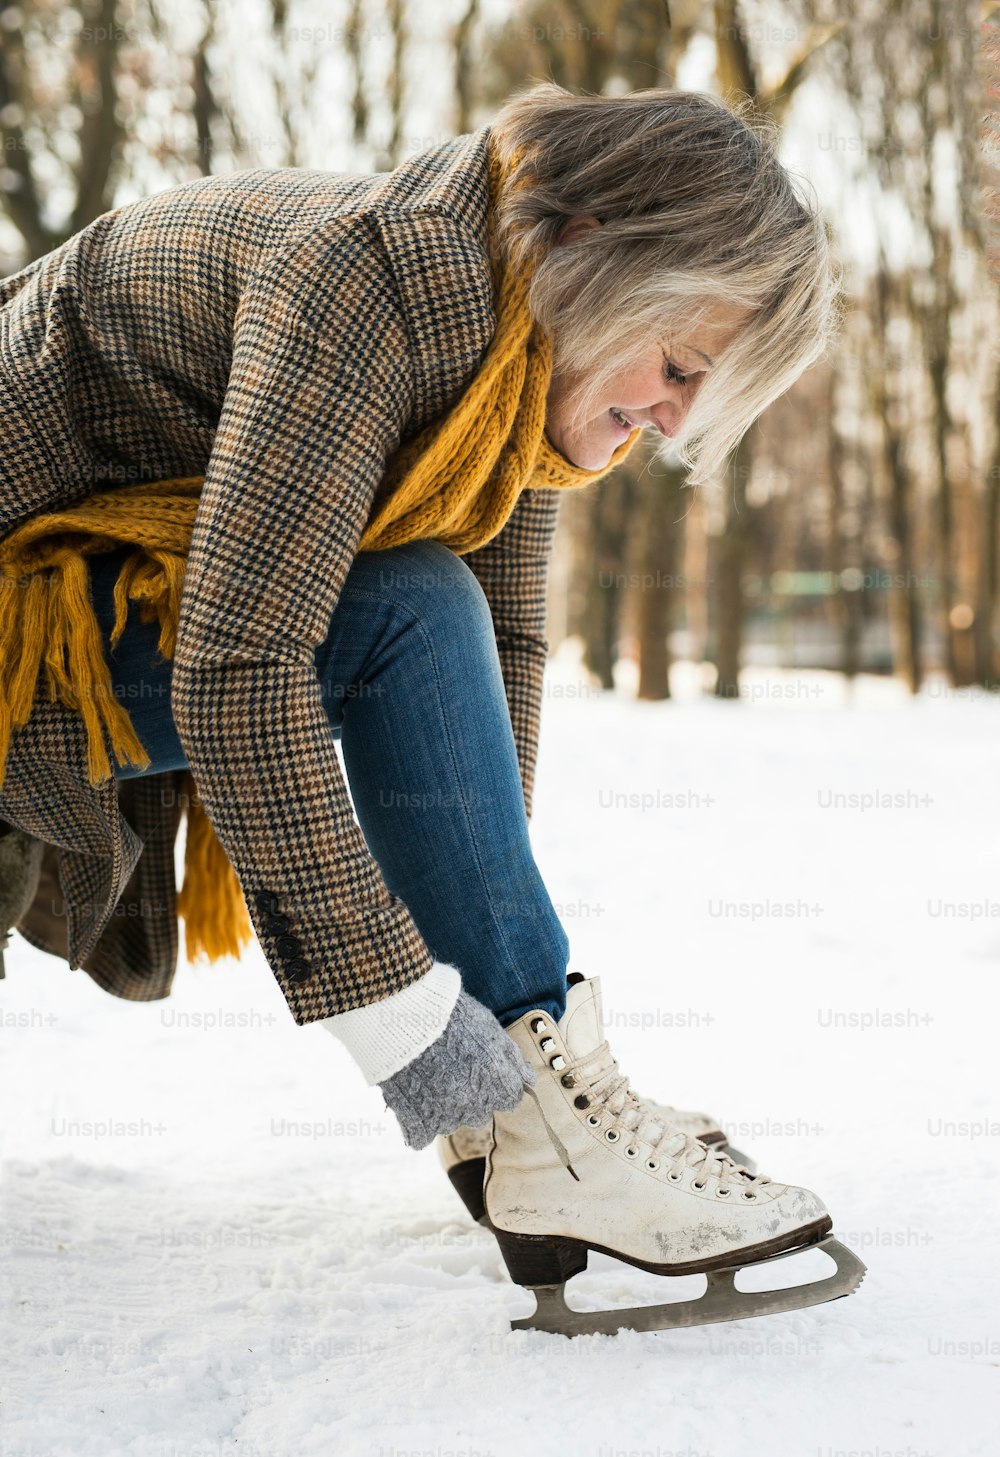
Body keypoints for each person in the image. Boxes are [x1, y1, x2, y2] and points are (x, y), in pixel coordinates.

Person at [0, 83, 863, 1331]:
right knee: (402, 601)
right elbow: (246, 667)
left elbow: (496, 653)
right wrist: (414, 1017)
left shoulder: (507, 366)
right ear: (593, 257)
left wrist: (500, 1022)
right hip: (29, 623)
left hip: (86, 607)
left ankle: (537, 1121)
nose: (673, 418)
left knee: (424, 603)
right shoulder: (362, 286)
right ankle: (551, 1131)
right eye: (676, 365)